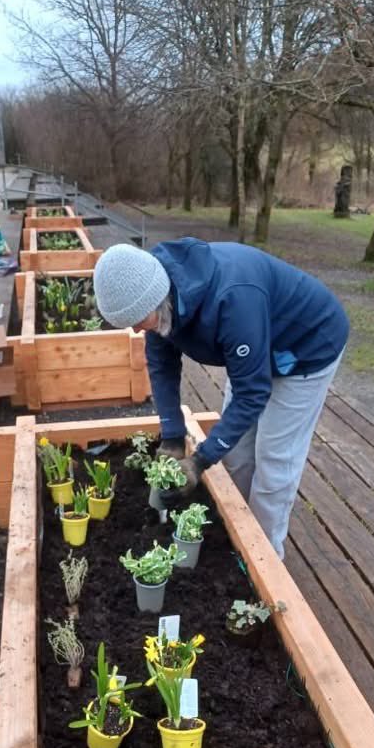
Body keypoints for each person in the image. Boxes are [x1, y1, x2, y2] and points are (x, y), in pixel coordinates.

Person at [92, 238, 349, 560]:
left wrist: (199, 461)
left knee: (274, 461)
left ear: (156, 300)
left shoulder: (232, 299)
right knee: (237, 456)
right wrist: (172, 436)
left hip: (306, 347)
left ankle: (264, 557)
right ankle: (236, 533)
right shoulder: (159, 299)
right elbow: (161, 365)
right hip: (254, 347)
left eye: (136, 320)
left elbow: (252, 394)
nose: (133, 329)